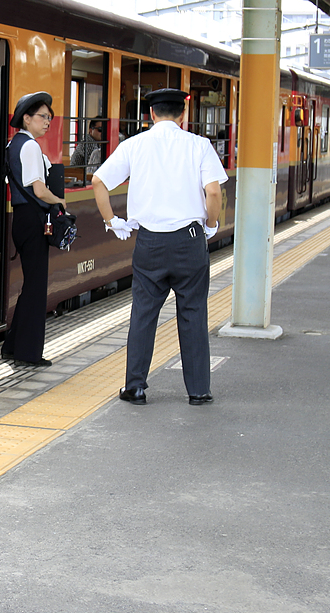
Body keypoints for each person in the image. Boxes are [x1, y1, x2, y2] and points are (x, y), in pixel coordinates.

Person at [91, 88, 228, 406]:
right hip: (190, 240)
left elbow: (99, 181)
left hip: (150, 242)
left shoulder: (134, 145)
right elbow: (214, 193)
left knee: (143, 313)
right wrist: (210, 226)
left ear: (150, 114)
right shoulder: (199, 145)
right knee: (193, 313)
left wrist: (112, 221)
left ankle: (135, 387)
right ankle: (198, 390)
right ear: (183, 115)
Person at [1, 91, 64, 367]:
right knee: (36, 288)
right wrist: (60, 200)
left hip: (22, 218)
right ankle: (27, 353)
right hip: (33, 220)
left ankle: (14, 345)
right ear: (27, 119)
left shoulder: (12, 145)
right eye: (42, 117)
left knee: (31, 286)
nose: (47, 122)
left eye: (49, 118)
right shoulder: (29, 147)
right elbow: (38, 188)